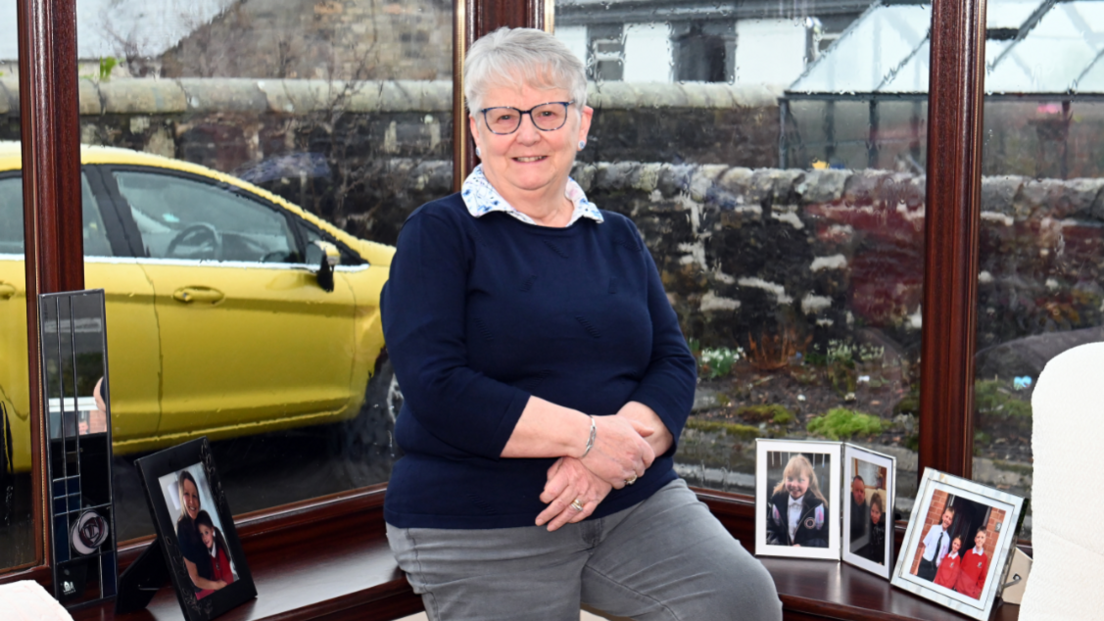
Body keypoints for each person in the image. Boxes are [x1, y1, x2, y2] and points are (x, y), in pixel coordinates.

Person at [380, 26, 782, 621]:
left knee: (744, 602)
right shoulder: (438, 234)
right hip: (479, 519)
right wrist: (589, 440)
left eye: (547, 112)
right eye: (502, 117)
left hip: (632, 504)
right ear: (475, 129)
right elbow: (438, 387)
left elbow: (672, 363)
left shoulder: (616, 235)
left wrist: (607, 461)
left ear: (582, 123)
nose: (526, 134)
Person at [174, 470, 227, 594]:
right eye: (187, 494)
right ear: (181, 497)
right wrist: (217, 585)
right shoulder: (181, 529)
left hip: (214, 576)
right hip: (203, 590)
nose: (192, 501)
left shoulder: (199, 518)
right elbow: (195, 579)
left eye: (195, 496)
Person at [765, 454, 829, 548]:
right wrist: (780, 548)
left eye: (800, 480)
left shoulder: (819, 508)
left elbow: (826, 540)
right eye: (790, 479)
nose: (794, 485)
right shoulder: (776, 503)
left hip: (807, 559)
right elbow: (769, 532)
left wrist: (803, 547)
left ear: (809, 482)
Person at [194, 510, 235, 600]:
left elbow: (228, 581)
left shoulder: (220, 552)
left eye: (206, 532)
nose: (204, 537)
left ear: (212, 531)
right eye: (201, 534)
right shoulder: (206, 552)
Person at [916, 506, 955, 581]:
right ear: (943, 516)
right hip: (924, 563)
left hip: (933, 569)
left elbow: (942, 559)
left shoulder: (947, 539)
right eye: (946, 517)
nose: (947, 520)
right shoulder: (934, 528)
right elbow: (923, 547)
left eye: (950, 519)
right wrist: (917, 568)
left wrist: (936, 577)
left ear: (951, 522)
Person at [954, 529, 990, 599]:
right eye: (978, 537)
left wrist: (975, 592)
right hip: (959, 589)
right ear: (975, 539)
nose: (980, 539)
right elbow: (960, 569)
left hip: (970, 595)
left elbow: (982, 579)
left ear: (985, 540)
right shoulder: (968, 553)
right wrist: (957, 584)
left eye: (982, 537)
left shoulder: (984, 558)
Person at [860, 492, 887, 564]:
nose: (874, 515)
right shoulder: (868, 524)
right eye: (872, 511)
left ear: (881, 513)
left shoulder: (884, 527)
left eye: (877, 512)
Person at [849, 475, 869, 546]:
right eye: (857, 490)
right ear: (852, 491)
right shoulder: (847, 506)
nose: (859, 494)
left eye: (861, 491)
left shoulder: (868, 510)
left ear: (864, 493)